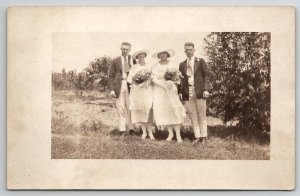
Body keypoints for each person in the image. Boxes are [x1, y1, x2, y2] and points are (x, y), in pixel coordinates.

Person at [178, 42, 211, 144]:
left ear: (194, 50)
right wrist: (180, 92)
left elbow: (206, 75)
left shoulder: (200, 61)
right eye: (187, 50)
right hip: (188, 92)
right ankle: (197, 136)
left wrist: (206, 89)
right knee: (193, 115)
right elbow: (181, 80)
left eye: (190, 49)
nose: (189, 51)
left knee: (202, 114)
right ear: (184, 51)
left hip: (200, 90)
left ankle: (204, 136)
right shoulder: (182, 64)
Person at [151, 49, 186, 143]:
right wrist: (163, 85)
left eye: (164, 54)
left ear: (167, 55)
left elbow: (177, 77)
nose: (162, 55)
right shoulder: (155, 66)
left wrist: (170, 83)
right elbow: (153, 79)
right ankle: (170, 133)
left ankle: (178, 135)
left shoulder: (172, 64)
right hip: (160, 89)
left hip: (170, 89)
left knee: (174, 110)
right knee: (165, 112)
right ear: (158, 55)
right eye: (160, 54)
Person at [127, 49, 155, 140]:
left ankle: (150, 132)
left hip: (147, 90)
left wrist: (147, 82)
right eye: (139, 55)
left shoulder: (149, 66)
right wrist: (137, 83)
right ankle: (144, 132)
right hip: (138, 91)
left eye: (143, 55)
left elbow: (152, 77)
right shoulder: (134, 67)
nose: (141, 57)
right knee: (142, 111)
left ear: (145, 56)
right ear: (137, 57)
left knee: (149, 110)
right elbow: (129, 79)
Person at [108, 42, 134, 137]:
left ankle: (131, 128)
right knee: (120, 108)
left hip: (130, 86)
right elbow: (111, 76)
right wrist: (112, 89)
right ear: (121, 49)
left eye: (127, 49)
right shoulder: (115, 61)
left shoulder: (132, 60)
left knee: (130, 107)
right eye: (123, 49)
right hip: (119, 85)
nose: (125, 51)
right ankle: (122, 130)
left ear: (130, 50)